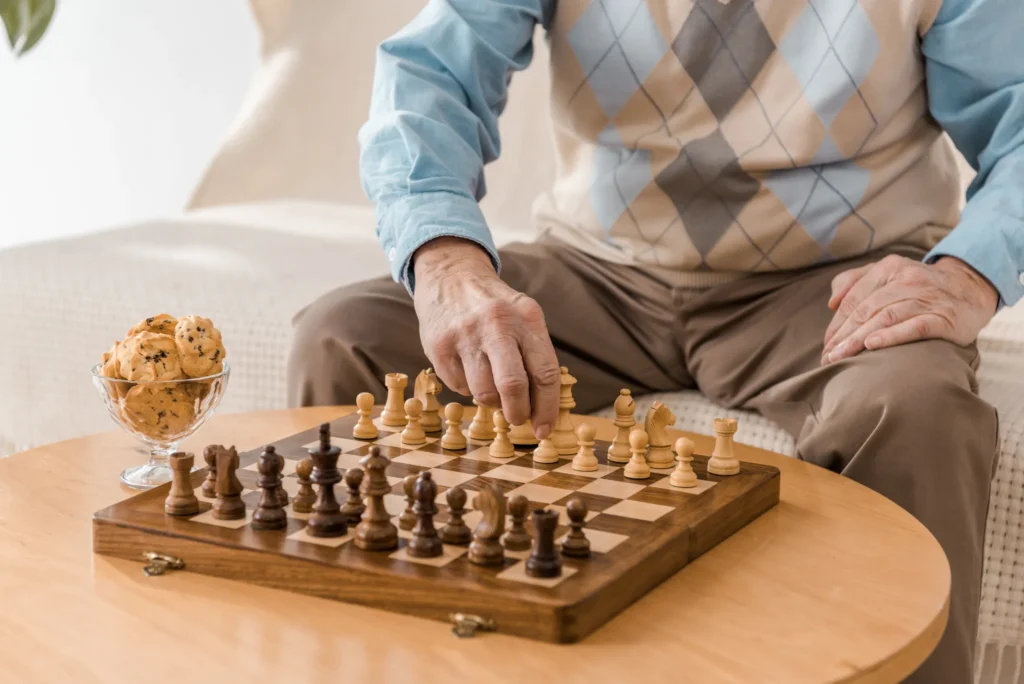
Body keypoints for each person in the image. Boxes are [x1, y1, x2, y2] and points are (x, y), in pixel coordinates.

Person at [289, 1, 1022, 680]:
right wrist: (447, 260)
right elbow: (431, 74)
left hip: (832, 288)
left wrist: (967, 272)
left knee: (914, 411)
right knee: (343, 338)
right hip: (598, 270)